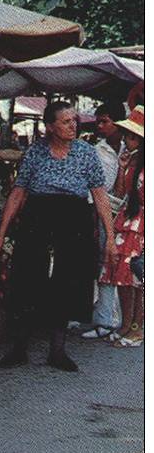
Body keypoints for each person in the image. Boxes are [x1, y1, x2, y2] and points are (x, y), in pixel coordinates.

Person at [0, 101, 117, 372]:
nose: (73, 125)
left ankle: (57, 350)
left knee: (68, 279)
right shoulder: (36, 152)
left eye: (74, 120)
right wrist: (1, 234)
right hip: (38, 216)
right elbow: (18, 192)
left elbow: (100, 195)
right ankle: (19, 347)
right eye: (66, 121)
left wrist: (111, 237)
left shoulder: (86, 153)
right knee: (27, 275)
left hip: (74, 218)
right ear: (50, 127)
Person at [100, 105, 144, 348]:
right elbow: (119, 194)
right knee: (124, 278)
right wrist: (122, 167)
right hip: (128, 222)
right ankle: (127, 324)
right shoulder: (130, 161)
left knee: (140, 280)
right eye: (127, 135)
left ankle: (138, 328)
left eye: (133, 137)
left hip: (142, 226)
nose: (127, 140)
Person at [82, 103, 127, 339]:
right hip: (104, 210)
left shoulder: (133, 149)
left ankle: (117, 319)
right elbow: (98, 190)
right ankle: (103, 317)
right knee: (105, 262)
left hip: (130, 214)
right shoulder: (98, 150)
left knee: (121, 264)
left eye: (105, 121)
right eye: (98, 122)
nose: (100, 126)